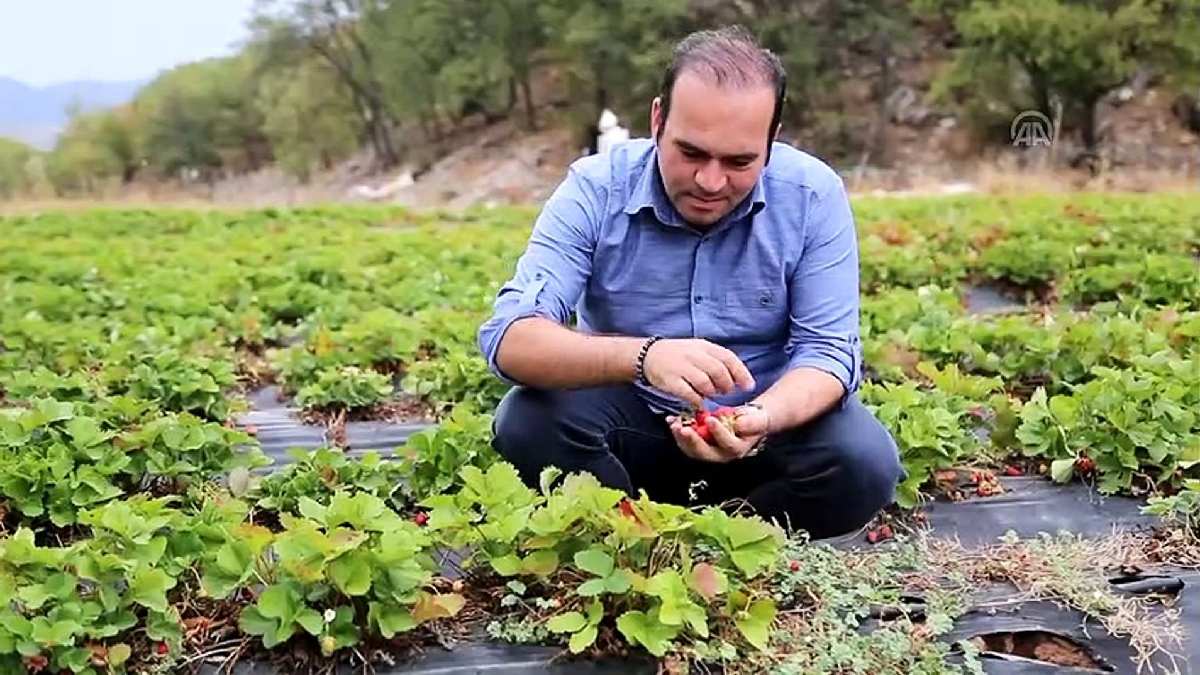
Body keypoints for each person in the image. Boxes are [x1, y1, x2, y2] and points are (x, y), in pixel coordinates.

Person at [476, 26, 903, 540]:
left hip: (762, 435)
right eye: (692, 153)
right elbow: (511, 337)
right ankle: (629, 539)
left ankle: (735, 538)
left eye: (740, 161)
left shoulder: (811, 195)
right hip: (631, 431)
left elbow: (829, 353)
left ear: (772, 139)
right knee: (528, 421)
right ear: (658, 120)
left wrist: (761, 417)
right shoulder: (595, 188)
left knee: (862, 460)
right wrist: (644, 357)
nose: (711, 181)